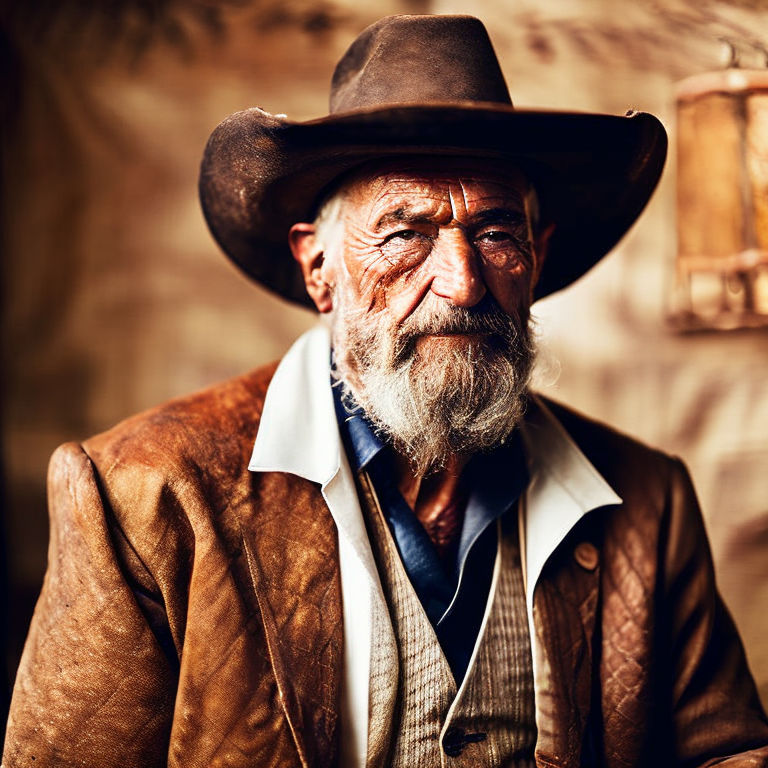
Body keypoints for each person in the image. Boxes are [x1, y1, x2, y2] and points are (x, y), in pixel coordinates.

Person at [4, 13, 768, 768]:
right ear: (319, 269)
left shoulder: (648, 501)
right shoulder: (142, 495)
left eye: (496, 232)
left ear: (536, 259)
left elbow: (727, 752)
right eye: (406, 233)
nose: (462, 282)